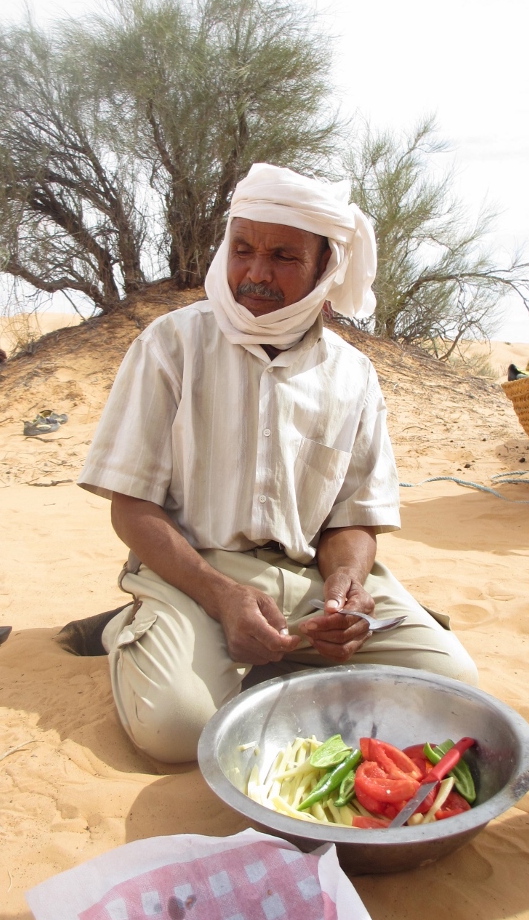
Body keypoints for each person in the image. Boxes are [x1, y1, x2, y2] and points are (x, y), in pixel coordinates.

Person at [77, 163, 477, 764]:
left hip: (308, 581)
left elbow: (353, 518)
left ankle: (282, 652)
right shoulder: (171, 345)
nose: (256, 273)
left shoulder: (353, 375)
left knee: (456, 689)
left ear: (325, 268)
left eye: (284, 257)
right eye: (243, 249)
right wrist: (220, 595)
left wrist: (347, 585)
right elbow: (131, 507)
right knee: (178, 732)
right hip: (194, 572)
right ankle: (135, 626)